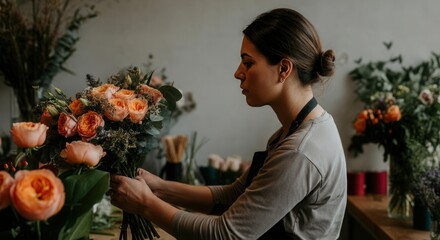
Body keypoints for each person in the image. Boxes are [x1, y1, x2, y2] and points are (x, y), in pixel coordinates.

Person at [110, 8, 346, 240]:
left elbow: (226, 234)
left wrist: (145, 204)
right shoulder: (295, 131)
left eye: (248, 63)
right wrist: (159, 188)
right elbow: (235, 195)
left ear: (284, 69)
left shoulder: (300, 150)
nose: (237, 73)